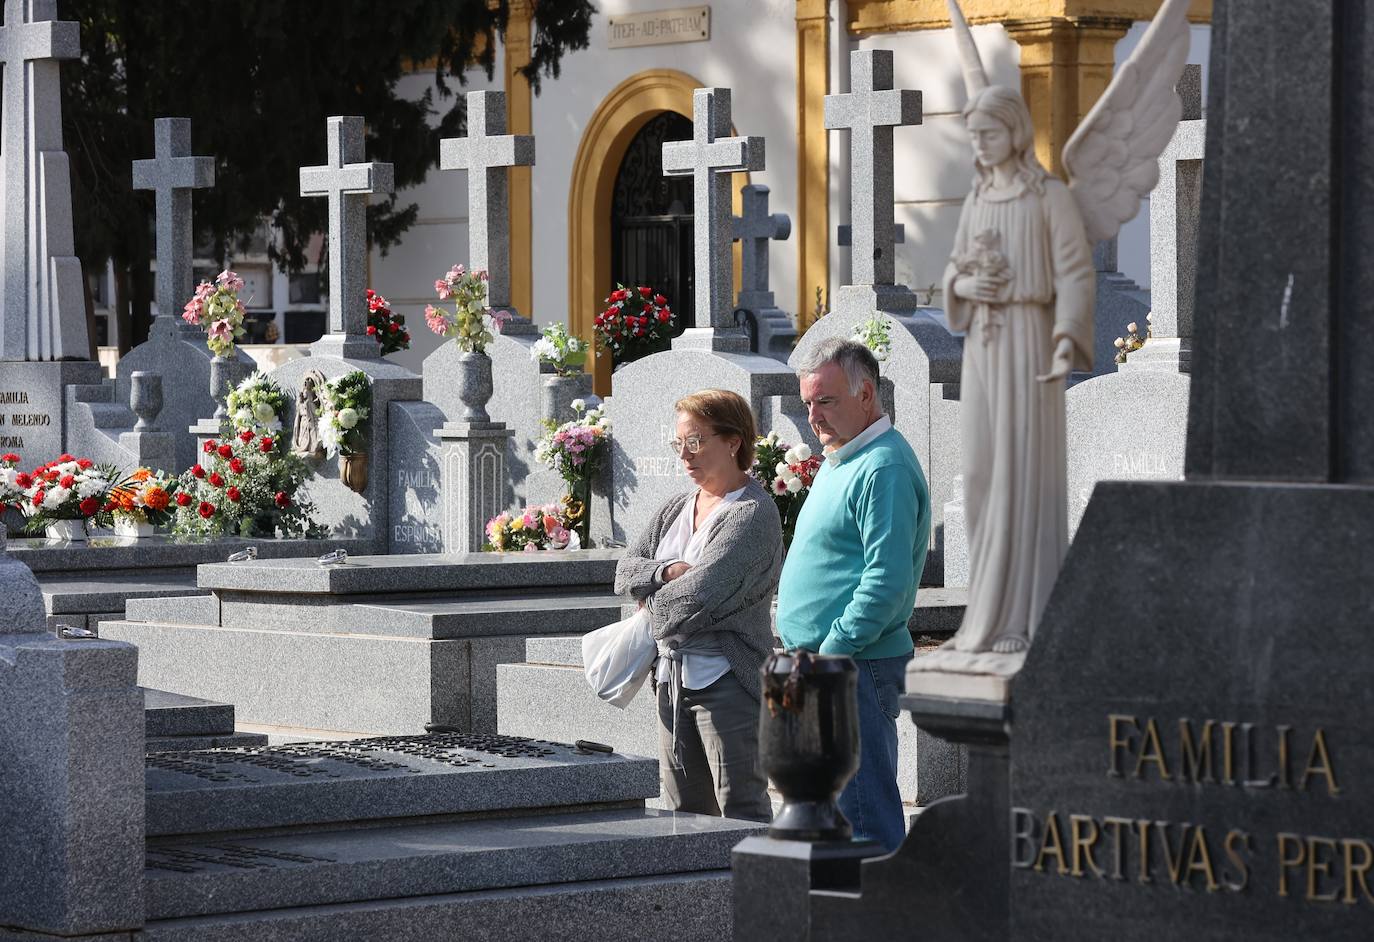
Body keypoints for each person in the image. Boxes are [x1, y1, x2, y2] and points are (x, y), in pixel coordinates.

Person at [943, 84, 1092, 654]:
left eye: (989, 132)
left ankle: (1020, 621)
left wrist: (1066, 338)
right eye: (973, 134)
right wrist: (963, 284)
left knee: (1021, 473)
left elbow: (1076, 272)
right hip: (983, 343)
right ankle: (984, 613)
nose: (979, 143)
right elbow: (956, 269)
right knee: (980, 475)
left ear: (1015, 131)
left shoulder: (1048, 196)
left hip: (1030, 341)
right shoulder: (978, 197)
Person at [775, 338, 930, 851]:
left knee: (861, 818)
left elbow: (886, 583)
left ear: (867, 395)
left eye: (826, 400)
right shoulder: (844, 456)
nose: (814, 417)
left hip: (851, 666)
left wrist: (830, 652)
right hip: (812, 663)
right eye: (808, 403)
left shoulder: (882, 466)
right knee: (817, 809)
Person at [614, 389, 781, 823]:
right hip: (671, 680)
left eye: (697, 441)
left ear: (733, 442)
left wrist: (648, 600)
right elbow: (623, 573)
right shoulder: (676, 506)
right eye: (679, 444)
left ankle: (757, 891)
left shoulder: (751, 513)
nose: (685, 456)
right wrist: (667, 572)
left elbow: (698, 597)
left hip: (728, 682)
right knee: (683, 814)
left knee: (741, 809)